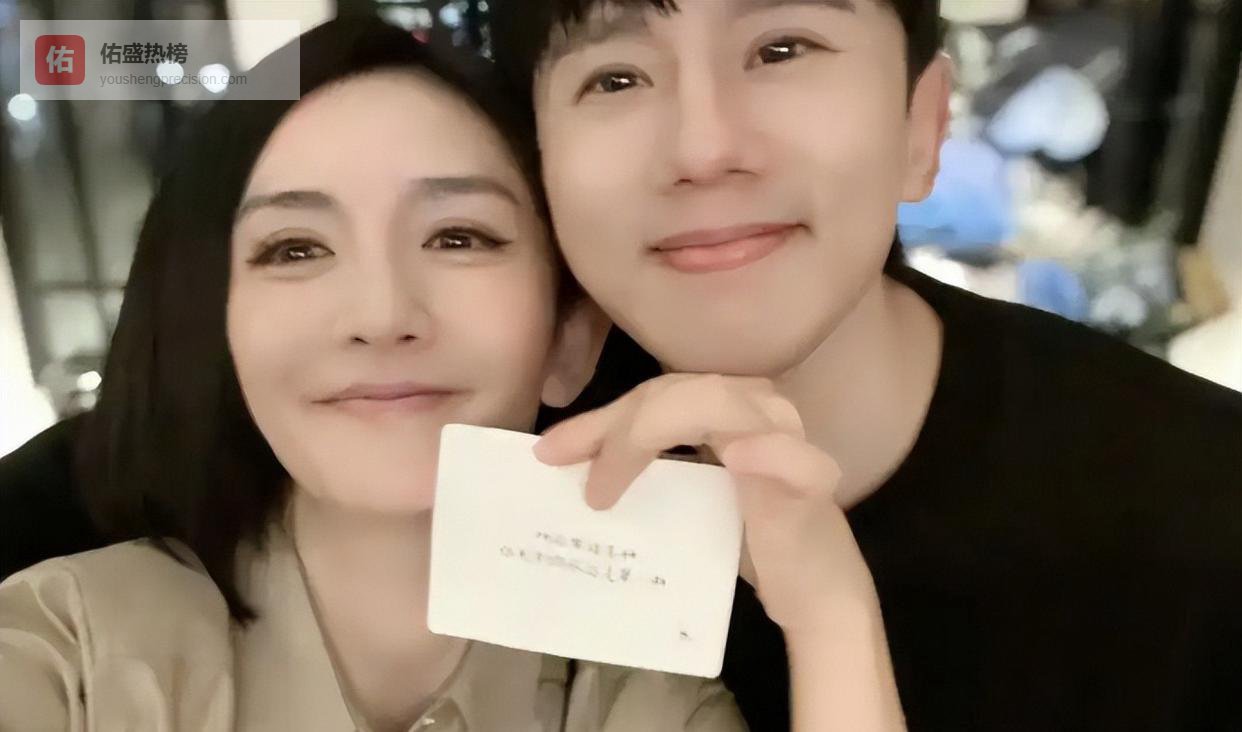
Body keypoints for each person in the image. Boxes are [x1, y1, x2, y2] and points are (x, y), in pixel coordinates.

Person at [0, 16, 908, 732]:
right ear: (215, 327)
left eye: (458, 237)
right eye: (295, 248)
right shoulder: (64, 645)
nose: (382, 314)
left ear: (570, 337)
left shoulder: (634, 695)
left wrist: (830, 618)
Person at [487, 1, 1242, 729]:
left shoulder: (1205, 519)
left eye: (782, 50)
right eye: (615, 79)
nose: (703, 150)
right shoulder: (491, 456)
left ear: (923, 126)